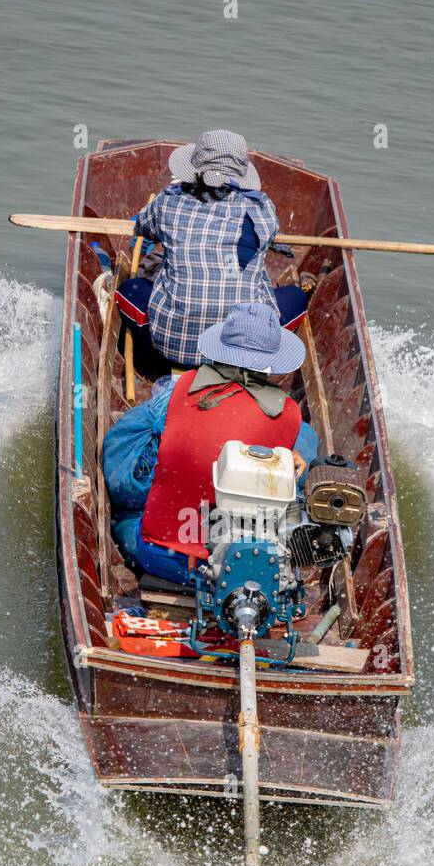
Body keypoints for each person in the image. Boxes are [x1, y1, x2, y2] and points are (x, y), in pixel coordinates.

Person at [103, 303, 319, 584]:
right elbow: (295, 491)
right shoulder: (290, 416)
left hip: (162, 558)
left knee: (125, 517)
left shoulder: (179, 390)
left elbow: (119, 462)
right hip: (245, 571)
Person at [115, 130, 308, 370]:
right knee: (298, 297)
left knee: (128, 289)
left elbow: (143, 227)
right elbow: (265, 235)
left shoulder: (168, 202)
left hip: (173, 347)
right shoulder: (262, 209)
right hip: (247, 353)